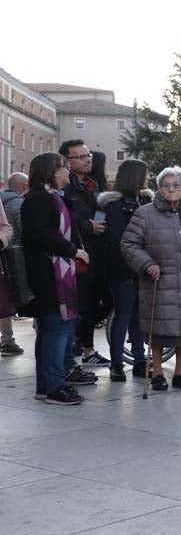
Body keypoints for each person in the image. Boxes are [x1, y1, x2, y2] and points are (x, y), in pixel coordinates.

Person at [121, 166, 181, 391]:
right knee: (157, 329)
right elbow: (128, 243)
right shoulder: (145, 213)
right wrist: (147, 264)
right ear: (159, 189)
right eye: (166, 185)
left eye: (176, 185)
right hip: (158, 280)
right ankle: (157, 373)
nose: (171, 189)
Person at [22, 153, 90, 404]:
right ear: (52, 171)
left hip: (55, 273)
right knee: (56, 330)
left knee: (52, 330)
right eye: (64, 167)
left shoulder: (51, 197)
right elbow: (41, 235)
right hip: (47, 275)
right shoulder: (39, 199)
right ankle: (54, 386)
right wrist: (74, 251)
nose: (68, 172)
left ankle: (47, 385)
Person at [97, 159, 151, 382]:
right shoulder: (113, 205)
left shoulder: (146, 200)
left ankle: (139, 360)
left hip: (142, 268)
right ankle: (117, 364)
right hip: (121, 268)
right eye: (145, 174)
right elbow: (115, 239)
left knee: (138, 317)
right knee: (124, 314)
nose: (148, 178)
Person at [58, 139, 109, 371]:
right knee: (83, 304)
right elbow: (64, 218)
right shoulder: (65, 189)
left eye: (87, 154)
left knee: (106, 299)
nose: (87, 159)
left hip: (97, 254)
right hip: (75, 257)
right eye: (79, 156)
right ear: (67, 162)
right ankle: (85, 350)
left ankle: (82, 341)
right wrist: (88, 227)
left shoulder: (93, 184)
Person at [0, 172, 28, 356]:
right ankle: (7, 340)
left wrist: (1, 240)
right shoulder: (18, 203)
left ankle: (7, 339)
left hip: (5, 258)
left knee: (4, 302)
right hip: (17, 257)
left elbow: (5, 227)